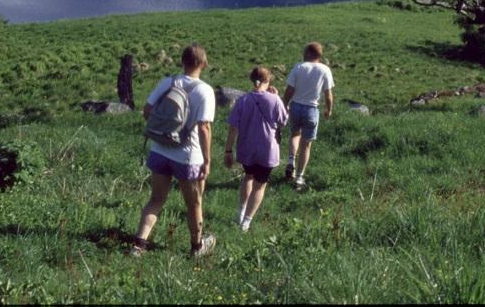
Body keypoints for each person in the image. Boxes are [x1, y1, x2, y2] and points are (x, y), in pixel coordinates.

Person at [132, 43, 216, 258]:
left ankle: (138, 246)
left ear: (182, 62)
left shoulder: (168, 82)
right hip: (188, 157)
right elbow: (204, 128)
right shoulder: (205, 91)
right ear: (204, 64)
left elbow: (147, 110)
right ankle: (197, 247)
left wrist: (165, 128)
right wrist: (207, 161)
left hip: (160, 150)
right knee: (194, 204)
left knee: (156, 199)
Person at [223, 66, 288, 231]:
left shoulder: (243, 100)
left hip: (246, 148)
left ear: (252, 80)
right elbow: (283, 120)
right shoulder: (274, 100)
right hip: (268, 150)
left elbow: (232, 128)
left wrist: (228, 150)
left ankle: (240, 210)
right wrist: (276, 97)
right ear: (268, 81)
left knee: (248, 176)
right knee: (260, 184)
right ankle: (247, 221)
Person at [283, 42, 334, 188]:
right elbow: (328, 94)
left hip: (296, 107)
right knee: (306, 145)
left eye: (305, 52)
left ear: (310, 53)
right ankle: (299, 178)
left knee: (294, 134)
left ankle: (291, 161)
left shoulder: (299, 67)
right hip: (312, 110)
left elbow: (289, 90)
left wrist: (284, 104)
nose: (303, 54)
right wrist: (328, 110)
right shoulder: (325, 70)